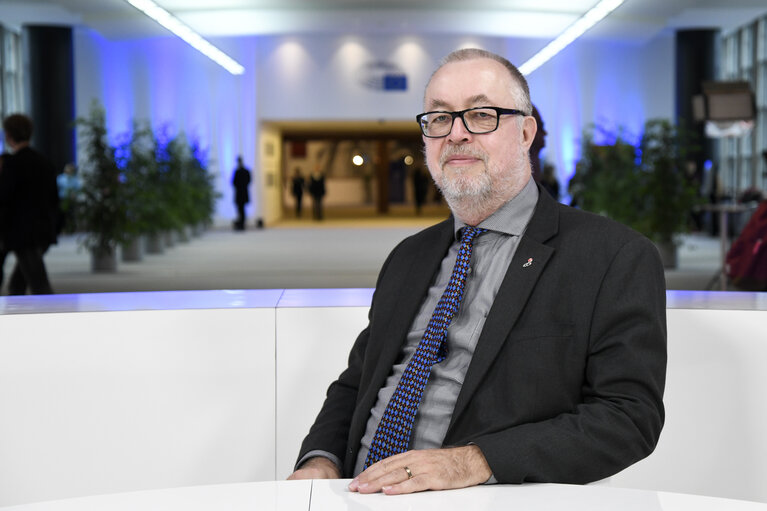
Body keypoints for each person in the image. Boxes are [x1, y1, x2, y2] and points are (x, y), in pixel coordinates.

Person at [288, 49, 666, 495]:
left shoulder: (612, 257)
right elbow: (358, 381)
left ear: (526, 132)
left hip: (479, 496)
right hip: (357, 491)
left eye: (481, 115)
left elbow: (628, 417)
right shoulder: (409, 256)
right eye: (440, 118)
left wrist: (474, 462)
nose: (457, 134)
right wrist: (320, 461)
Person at [0, 114, 58, 295]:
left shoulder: (11, 165)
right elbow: (54, 199)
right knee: (19, 283)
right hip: (42, 229)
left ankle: (55, 319)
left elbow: (4, 198)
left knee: (39, 284)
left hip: (22, 233)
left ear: (8, 135)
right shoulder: (44, 162)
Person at [231, 156, 251, 231]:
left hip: (240, 193)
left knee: (241, 209)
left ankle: (242, 224)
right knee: (241, 209)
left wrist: (239, 185)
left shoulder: (239, 171)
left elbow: (234, 182)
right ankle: (241, 223)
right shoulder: (243, 171)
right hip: (242, 193)